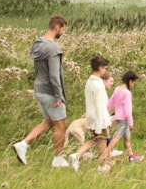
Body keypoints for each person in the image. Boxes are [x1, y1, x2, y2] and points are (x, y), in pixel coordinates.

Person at [13, 16, 70, 168]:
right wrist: (59, 95)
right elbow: (54, 74)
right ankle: (58, 159)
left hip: (39, 88)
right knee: (61, 125)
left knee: (50, 121)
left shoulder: (38, 44)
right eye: (63, 29)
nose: (63, 33)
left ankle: (23, 144)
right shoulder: (52, 48)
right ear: (57, 27)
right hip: (50, 92)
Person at [70, 56, 113, 172]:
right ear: (100, 68)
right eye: (104, 68)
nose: (105, 70)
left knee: (94, 140)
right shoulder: (98, 85)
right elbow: (99, 106)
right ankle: (102, 166)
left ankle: (77, 155)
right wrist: (100, 126)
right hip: (99, 119)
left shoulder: (89, 82)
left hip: (91, 117)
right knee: (102, 141)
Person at [107, 70, 142, 162]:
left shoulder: (117, 89)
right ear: (130, 81)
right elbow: (128, 110)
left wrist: (106, 111)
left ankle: (131, 156)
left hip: (118, 117)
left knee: (127, 138)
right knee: (117, 138)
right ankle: (106, 156)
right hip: (124, 119)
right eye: (134, 83)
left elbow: (111, 101)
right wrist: (131, 123)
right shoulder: (127, 93)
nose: (133, 85)